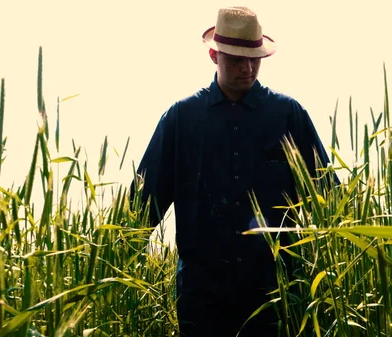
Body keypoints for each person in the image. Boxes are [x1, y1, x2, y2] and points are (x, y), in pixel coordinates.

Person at [130, 6, 334, 337]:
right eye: (237, 59)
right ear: (214, 55)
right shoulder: (181, 120)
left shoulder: (288, 115)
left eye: (254, 58)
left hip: (275, 295)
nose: (248, 67)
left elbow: (327, 196)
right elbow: (141, 208)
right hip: (202, 298)